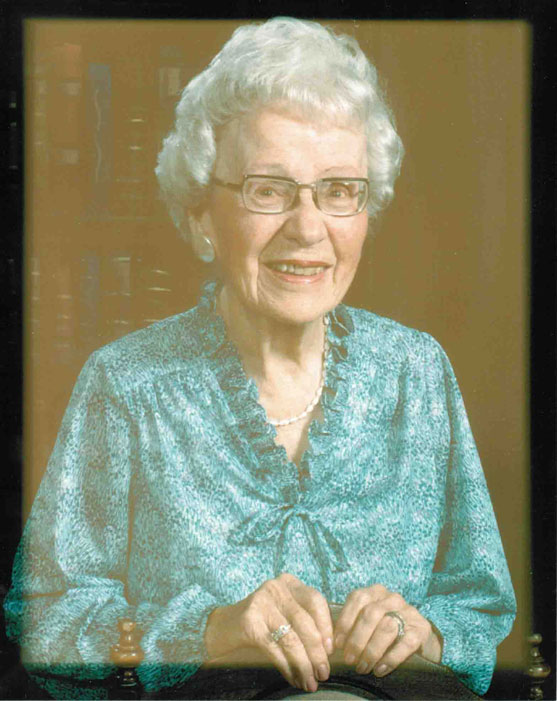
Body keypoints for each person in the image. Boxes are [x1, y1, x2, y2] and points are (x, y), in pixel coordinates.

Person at [5, 17, 515, 700]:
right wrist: (207, 631)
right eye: (268, 190)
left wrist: (423, 632)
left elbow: (479, 605)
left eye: (339, 190)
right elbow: (46, 622)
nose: (308, 229)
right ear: (201, 217)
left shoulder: (415, 371)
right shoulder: (126, 384)